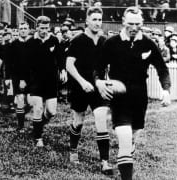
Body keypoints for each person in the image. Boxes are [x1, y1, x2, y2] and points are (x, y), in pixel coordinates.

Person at [94, 7, 171, 180]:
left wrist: (166, 90)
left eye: (137, 24)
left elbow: (162, 69)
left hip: (140, 97)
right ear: (123, 22)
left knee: (134, 133)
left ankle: (130, 145)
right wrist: (99, 82)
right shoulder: (111, 43)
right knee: (124, 139)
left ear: (142, 23)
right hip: (119, 98)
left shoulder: (148, 43)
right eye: (130, 23)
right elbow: (98, 68)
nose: (134, 27)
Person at [66, 6, 113, 175]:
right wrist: (81, 81)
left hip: (98, 87)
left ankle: (105, 162)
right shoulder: (78, 40)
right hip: (80, 87)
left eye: (100, 19)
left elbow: (107, 64)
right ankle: (73, 149)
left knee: (101, 120)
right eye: (94, 19)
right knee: (78, 121)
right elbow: (69, 65)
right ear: (87, 21)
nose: (97, 23)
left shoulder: (104, 41)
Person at [27, 16, 64, 147]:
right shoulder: (31, 42)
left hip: (51, 79)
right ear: (37, 27)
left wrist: (63, 70)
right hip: (36, 79)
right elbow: (26, 64)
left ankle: (39, 124)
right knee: (38, 108)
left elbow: (60, 57)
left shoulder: (54, 40)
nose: (44, 31)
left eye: (46, 28)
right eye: (42, 28)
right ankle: (38, 138)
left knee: (51, 111)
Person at [8, 22, 31, 131]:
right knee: (20, 99)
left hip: (31, 77)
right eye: (21, 28)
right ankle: (20, 125)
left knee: (31, 101)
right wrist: (21, 79)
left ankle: (22, 112)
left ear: (29, 30)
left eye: (25, 28)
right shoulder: (13, 45)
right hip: (18, 77)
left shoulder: (33, 43)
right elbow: (12, 63)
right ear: (18, 30)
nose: (23, 30)